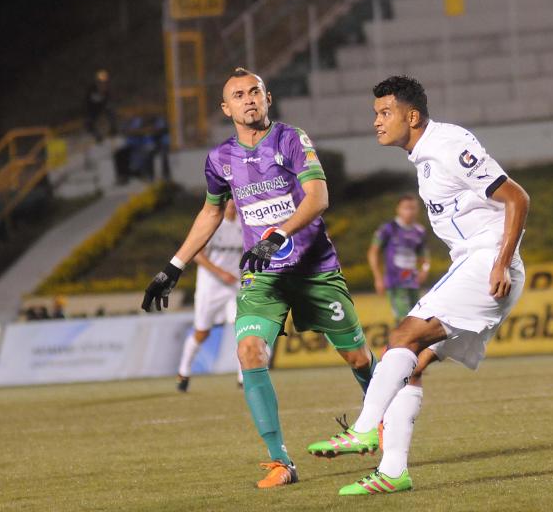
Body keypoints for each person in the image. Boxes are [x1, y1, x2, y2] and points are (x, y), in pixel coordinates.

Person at [140, 67, 377, 489]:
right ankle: (280, 462)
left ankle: (382, 423)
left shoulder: (291, 139)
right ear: (225, 108)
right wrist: (174, 266)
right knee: (249, 351)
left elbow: (319, 197)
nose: (249, 99)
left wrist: (278, 234)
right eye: (239, 95)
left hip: (314, 269)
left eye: (255, 92)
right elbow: (211, 212)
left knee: (358, 358)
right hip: (263, 277)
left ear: (268, 99)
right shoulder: (220, 159)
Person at [307, 75, 530, 495]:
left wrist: (500, 263)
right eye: (375, 113)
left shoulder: (448, 144)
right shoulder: (424, 156)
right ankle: (393, 471)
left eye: (384, 112)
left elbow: (518, 198)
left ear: (411, 117)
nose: (376, 121)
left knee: (402, 337)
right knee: (411, 365)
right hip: (476, 263)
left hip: (488, 261)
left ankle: (364, 428)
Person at [176, 199, 243, 392]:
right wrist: (220, 272)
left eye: (235, 198)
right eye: (229, 199)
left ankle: (243, 378)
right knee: (202, 332)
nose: (232, 203)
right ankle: (184, 371)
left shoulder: (243, 223)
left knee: (244, 329)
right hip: (210, 286)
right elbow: (197, 254)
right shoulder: (214, 223)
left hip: (234, 286)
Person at [368, 194, 430, 322]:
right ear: (398, 209)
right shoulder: (388, 229)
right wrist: (378, 278)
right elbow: (373, 252)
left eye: (413, 208)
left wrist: (424, 270)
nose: (410, 212)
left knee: (417, 319)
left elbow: (424, 256)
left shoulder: (419, 231)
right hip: (395, 282)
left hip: (413, 281)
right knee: (404, 320)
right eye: (406, 208)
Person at [85, 69, 117, 141]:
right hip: (93, 110)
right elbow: (88, 102)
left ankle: (113, 131)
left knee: (111, 112)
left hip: (103, 109)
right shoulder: (91, 90)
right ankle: (97, 136)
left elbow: (109, 100)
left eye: (105, 82)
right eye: (101, 82)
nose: (103, 84)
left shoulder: (107, 91)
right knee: (89, 123)